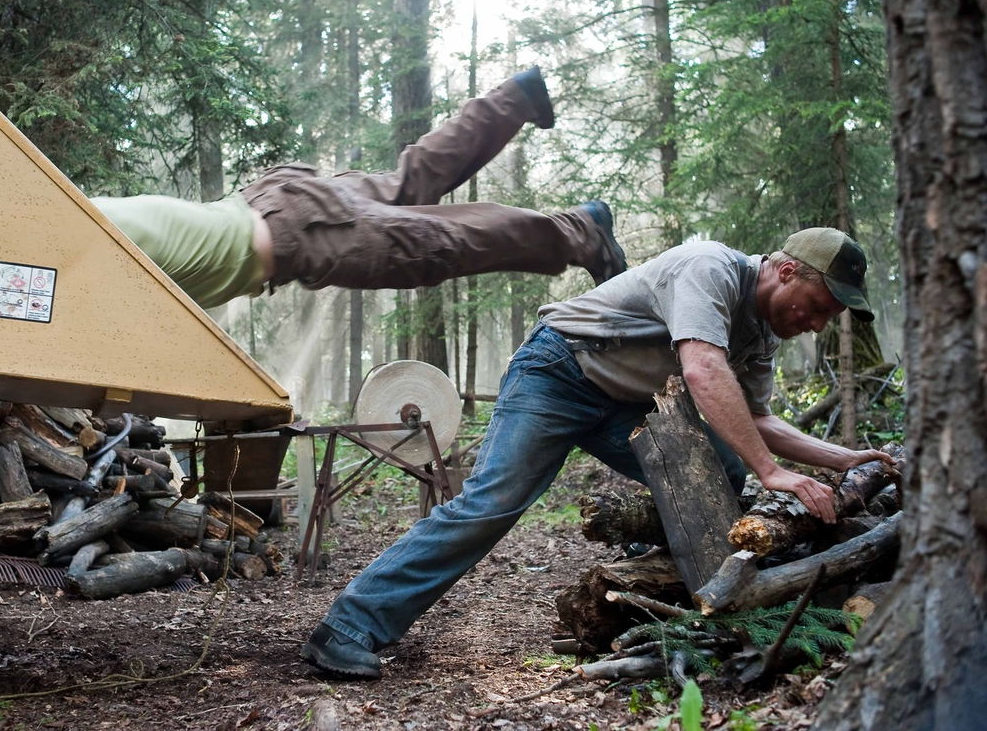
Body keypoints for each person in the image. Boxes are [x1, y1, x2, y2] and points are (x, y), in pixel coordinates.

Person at [301, 226, 899, 679]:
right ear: (788, 271)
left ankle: (673, 581)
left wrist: (842, 460)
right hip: (560, 370)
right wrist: (776, 476)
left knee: (724, 466)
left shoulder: (762, 333)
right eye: (819, 308)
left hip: (626, 403)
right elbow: (702, 368)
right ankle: (349, 626)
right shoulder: (710, 267)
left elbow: (760, 418)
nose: (818, 325)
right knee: (493, 502)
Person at [91, 68, 627, 309]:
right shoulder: (75, 217)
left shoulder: (74, 247)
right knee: (411, 181)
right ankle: (514, 98)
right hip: (277, 200)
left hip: (305, 234)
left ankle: (580, 230)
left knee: (441, 246)